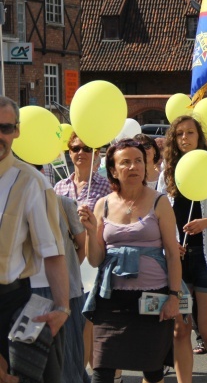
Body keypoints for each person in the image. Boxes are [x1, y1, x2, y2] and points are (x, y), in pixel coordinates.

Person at [78, 138, 182, 383]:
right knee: (102, 370)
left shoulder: (160, 201)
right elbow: (95, 260)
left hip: (153, 297)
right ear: (113, 169)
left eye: (138, 161)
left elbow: (172, 252)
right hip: (111, 300)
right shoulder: (102, 205)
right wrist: (92, 232)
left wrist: (174, 296)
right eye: (125, 162)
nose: (133, 167)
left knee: (152, 370)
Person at [160, 116, 207, 383]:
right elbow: (159, 216)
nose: (184, 138)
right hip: (176, 261)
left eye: (190, 132)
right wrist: (170, 240)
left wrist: (206, 223)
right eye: (179, 133)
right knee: (180, 328)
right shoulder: (166, 172)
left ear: (199, 136)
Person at [0, 97, 69, 382]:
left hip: (10, 307)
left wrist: (63, 308)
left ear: (16, 131)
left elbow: (52, 252)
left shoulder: (31, 183)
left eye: (4, 127)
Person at [54, 131, 112, 380]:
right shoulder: (59, 187)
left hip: (96, 261)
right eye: (75, 148)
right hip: (68, 264)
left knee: (89, 321)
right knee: (74, 322)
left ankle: (88, 372)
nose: (80, 153)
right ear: (69, 153)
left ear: (96, 154)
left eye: (86, 149)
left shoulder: (106, 186)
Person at [32, 164, 88, 383]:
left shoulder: (63, 205)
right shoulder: (14, 209)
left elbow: (81, 247)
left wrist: (67, 275)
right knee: (38, 362)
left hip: (68, 294)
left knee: (69, 360)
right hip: (30, 295)